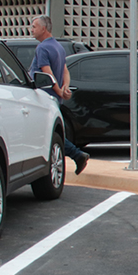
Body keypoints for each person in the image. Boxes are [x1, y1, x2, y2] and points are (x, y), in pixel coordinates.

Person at [27, 15, 90, 175]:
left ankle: (76, 155)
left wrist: (59, 90)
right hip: (54, 98)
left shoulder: (42, 48)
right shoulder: (58, 47)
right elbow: (65, 71)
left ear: (43, 28)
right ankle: (76, 155)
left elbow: (47, 73)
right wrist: (64, 89)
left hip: (43, 97)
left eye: (34, 26)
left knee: (48, 133)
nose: (31, 30)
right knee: (52, 132)